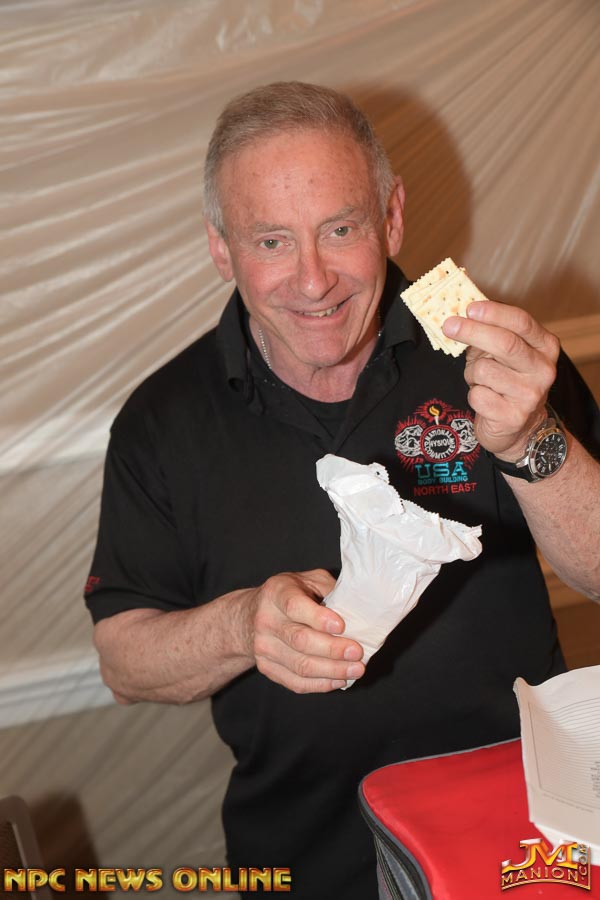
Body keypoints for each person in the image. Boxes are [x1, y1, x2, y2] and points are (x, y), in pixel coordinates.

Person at [85, 82, 600, 899]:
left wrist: (534, 441)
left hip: (521, 838)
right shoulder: (162, 419)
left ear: (391, 219)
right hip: (305, 861)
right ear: (221, 249)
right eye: (271, 241)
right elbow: (123, 661)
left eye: (341, 229)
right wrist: (242, 625)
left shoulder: (488, 351)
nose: (314, 280)